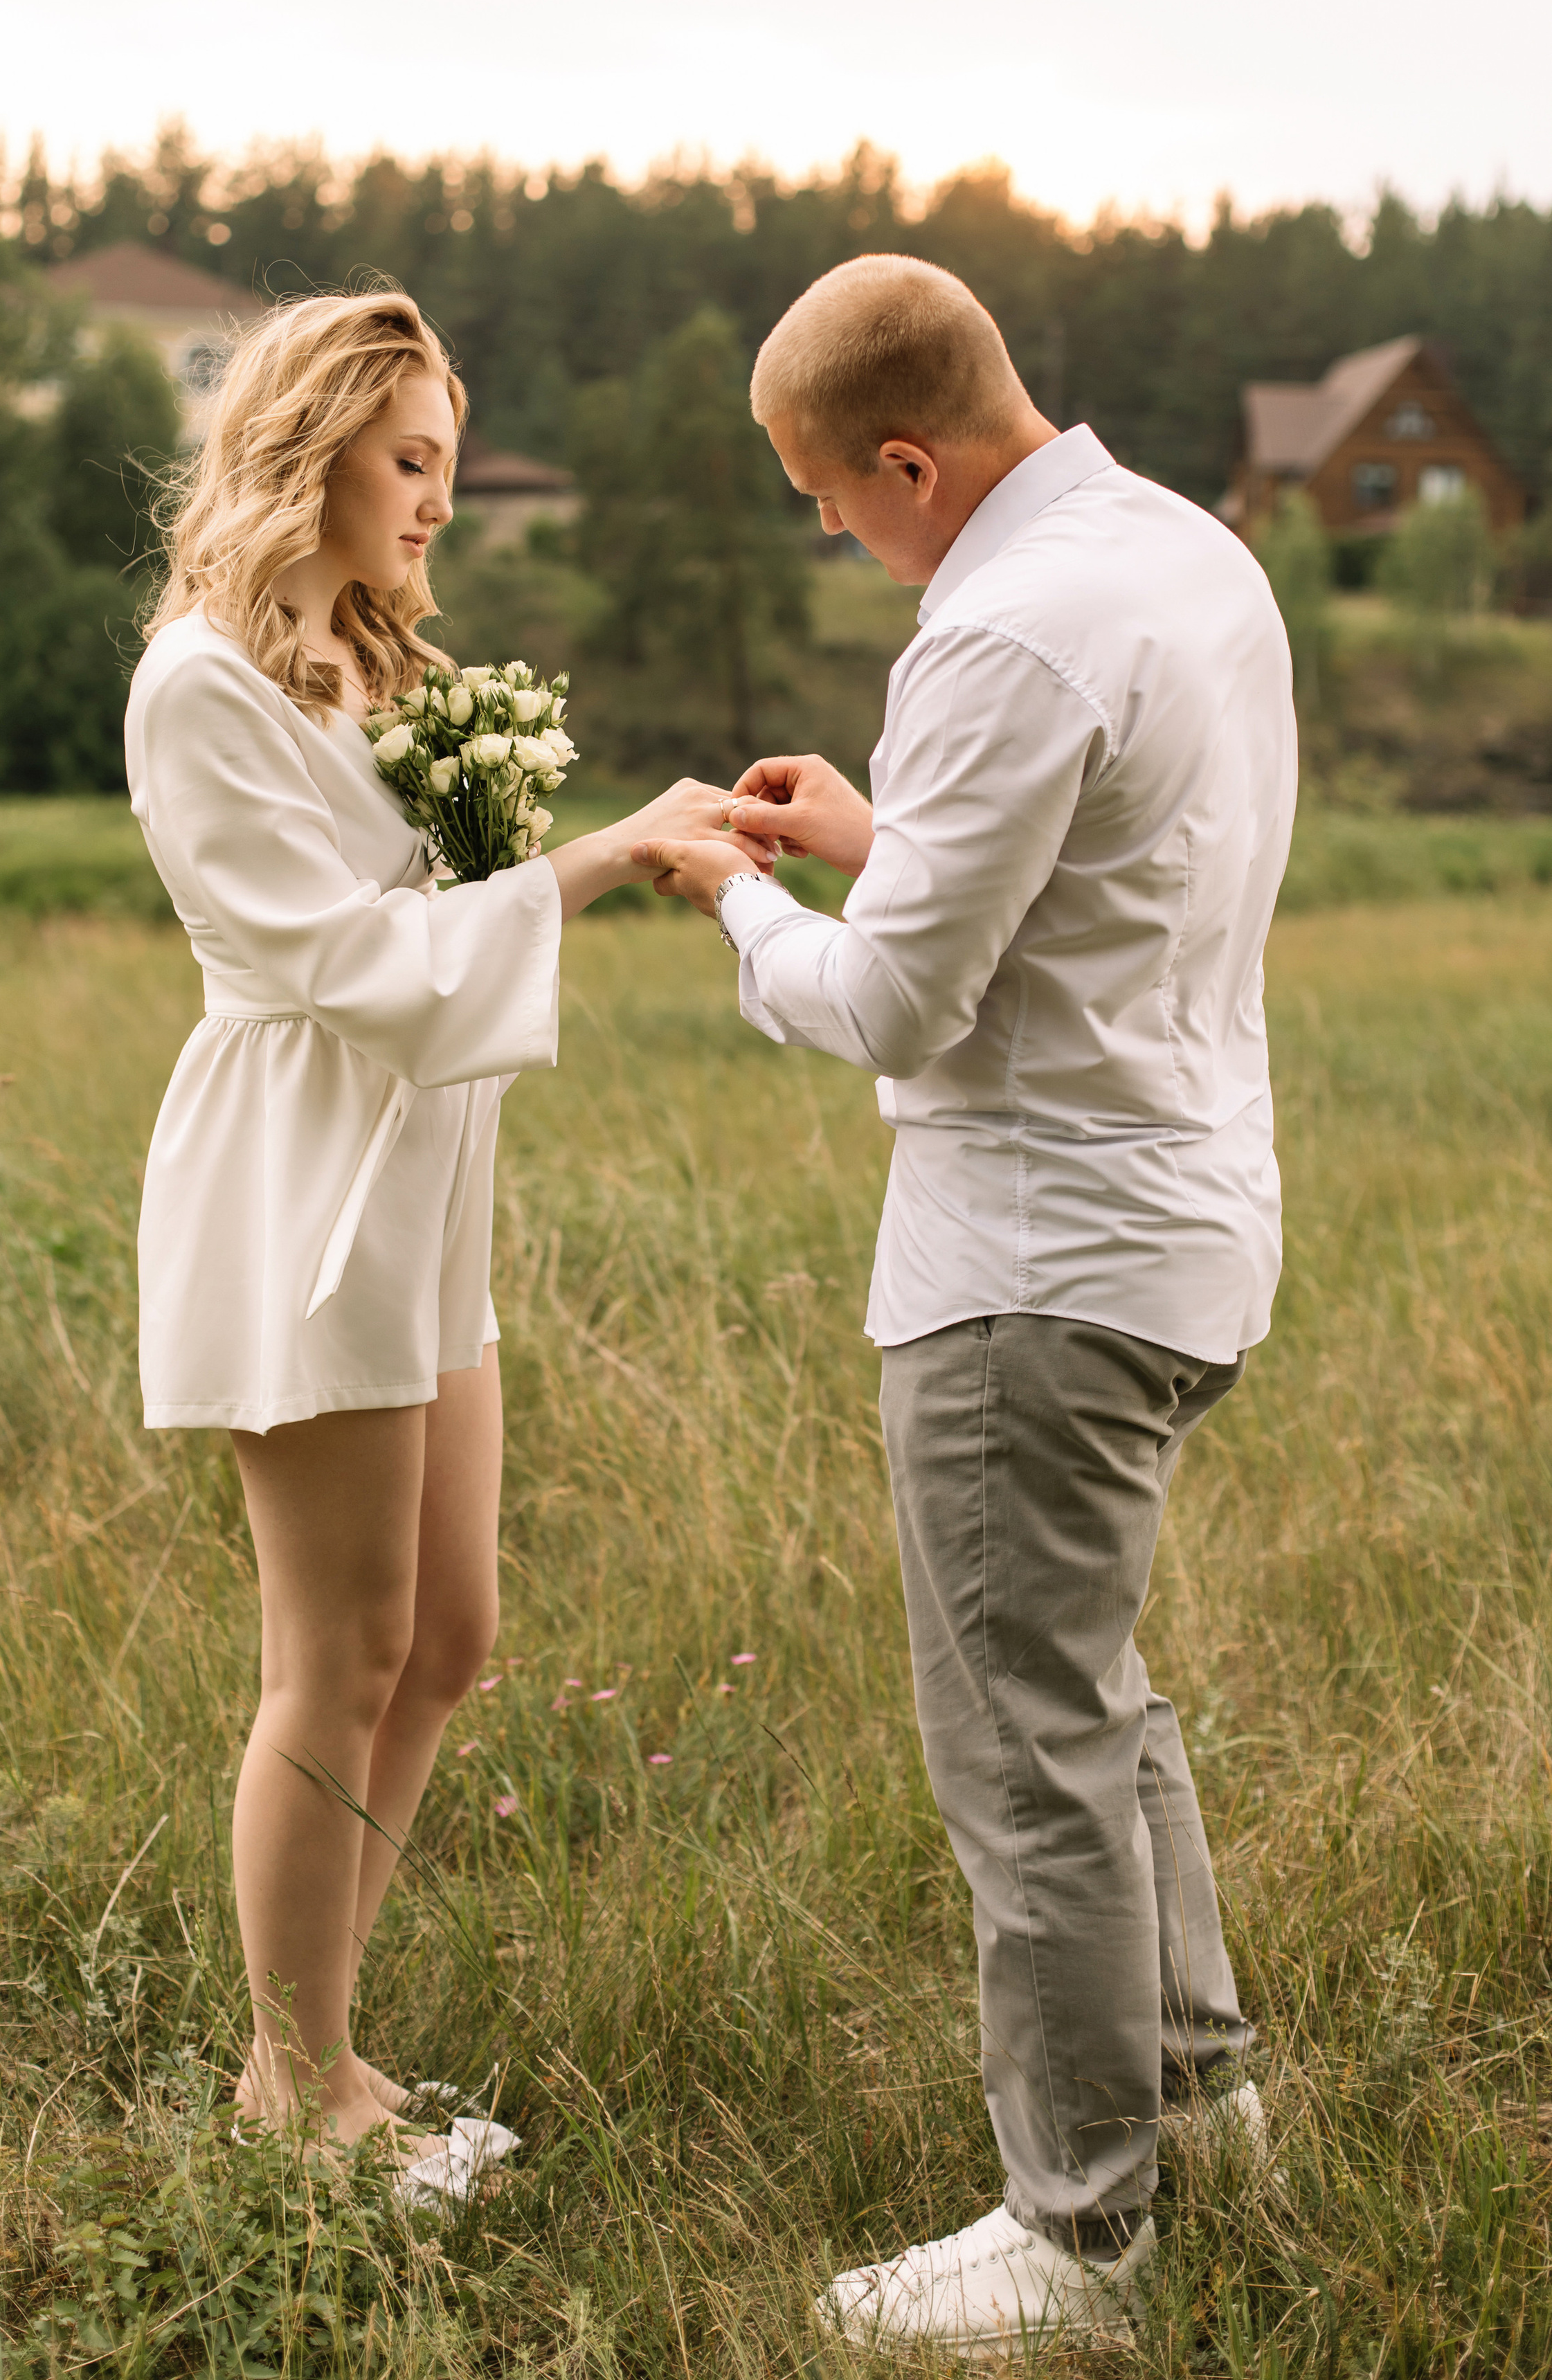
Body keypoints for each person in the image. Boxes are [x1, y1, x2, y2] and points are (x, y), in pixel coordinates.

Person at [638, 255, 1295, 2356]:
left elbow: (897, 1004)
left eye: (833, 497)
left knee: (1023, 1754)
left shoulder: (996, 629)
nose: (837, 533)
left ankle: (1080, 2237)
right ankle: (1209, 2107)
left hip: (1032, 1267)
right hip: (1186, 1225)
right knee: (1093, 1697)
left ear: (909, 462)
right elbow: (1093, 873)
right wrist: (884, 833)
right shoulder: (1186, 556)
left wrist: (745, 902)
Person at [125, 287, 749, 2188]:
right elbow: (348, 963)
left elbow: (438, 933)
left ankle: (317, 2043)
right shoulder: (205, 684)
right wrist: (603, 854)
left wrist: (590, 854)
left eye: (448, 467)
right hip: (303, 1178)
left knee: (451, 1636)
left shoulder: (372, 666)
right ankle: (299, 2091)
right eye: (412, 460)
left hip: (422, 1183)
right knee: (340, 1650)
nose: (439, 503)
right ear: (313, 447)